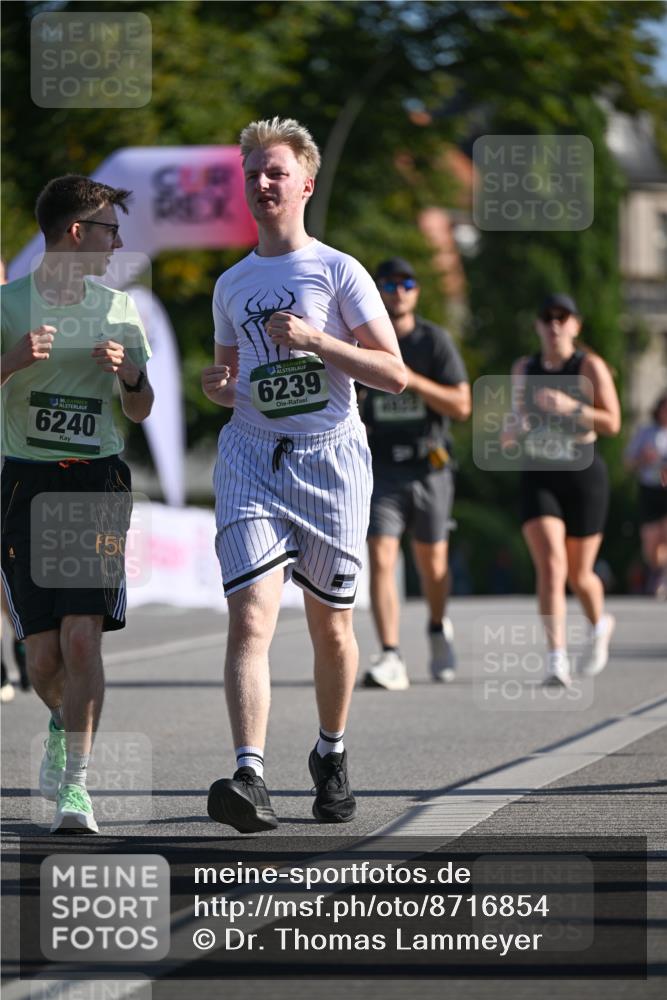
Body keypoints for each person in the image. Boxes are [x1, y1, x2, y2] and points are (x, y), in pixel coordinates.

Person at [202, 117, 406, 833]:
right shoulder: (231, 283)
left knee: (331, 627)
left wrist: (318, 340)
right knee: (250, 616)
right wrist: (218, 386)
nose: (261, 183)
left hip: (330, 460)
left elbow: (394, 374)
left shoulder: (339, 271)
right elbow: (231, 377)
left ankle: (330, 752)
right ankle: (249, 774)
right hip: (252, 456)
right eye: (252, 173)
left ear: (305, 185)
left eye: (275, 172)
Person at [1, 175, 153, 832]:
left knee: (82, 638)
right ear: (75, 232)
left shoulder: (119, 309)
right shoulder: (8, 305)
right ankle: (63, 726)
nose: (116, 244)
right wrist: (10, 362)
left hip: (95, 482)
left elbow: (141, 409)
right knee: (42, 657)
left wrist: (131, 375)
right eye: (108, 231)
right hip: (25, 484)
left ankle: (77, 786)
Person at [359, 258, 470, 690]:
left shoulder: (432, 341)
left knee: (433, 563)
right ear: (378, 291)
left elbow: (462, 406)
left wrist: (410, 381)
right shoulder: (363, 341)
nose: (398, 291)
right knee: (381, 555)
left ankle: (438, 627)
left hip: (429, 465)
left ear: (417, 291)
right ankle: (390, 653)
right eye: (389, 284)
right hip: (382, 466)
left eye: (406, 283)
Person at [507, 293, 621, 686]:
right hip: (539, 474)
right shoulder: (525, 368)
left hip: (583, 475)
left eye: (562, 317)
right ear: (537, 325)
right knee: (552, 565)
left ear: (575, 325)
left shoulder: (589, 366)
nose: (554, 324)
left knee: (579, 574)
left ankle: (599, 623)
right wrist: (513, 429)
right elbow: (514, 423)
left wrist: (570, 407)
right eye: (547, 317)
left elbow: (613, 423)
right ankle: (556, 658)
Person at [625, 391, 667, 598]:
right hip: (650, 489)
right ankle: (657, 570)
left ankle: (662, 578)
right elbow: (628, 462)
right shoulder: (646, 432)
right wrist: (644, 458)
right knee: (651, 543)